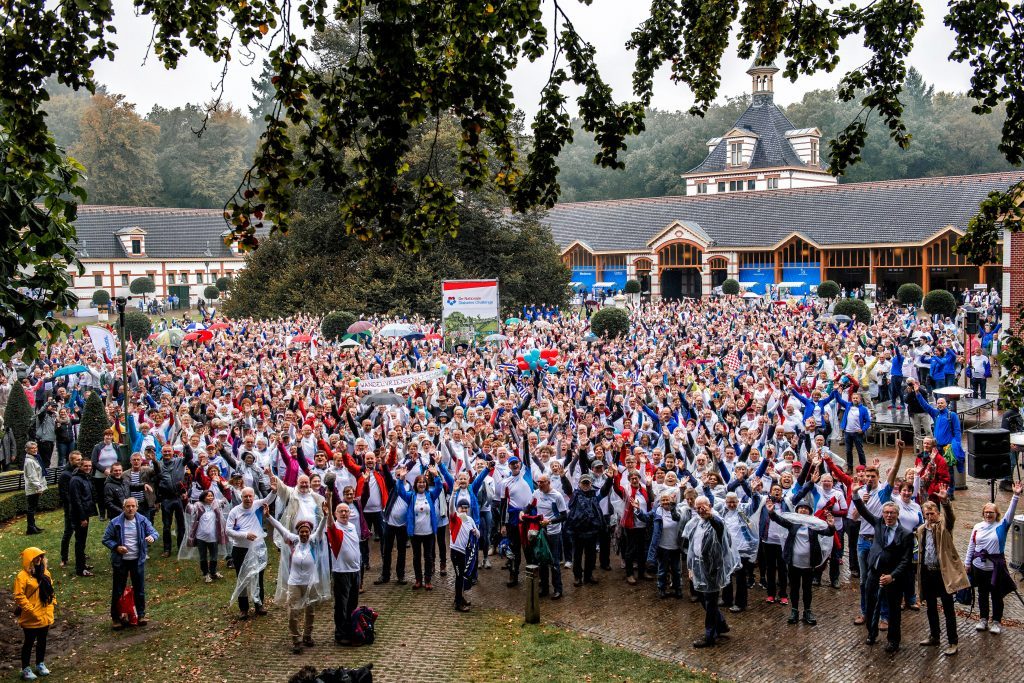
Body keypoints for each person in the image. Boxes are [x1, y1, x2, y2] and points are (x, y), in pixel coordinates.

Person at [266, 503, 331, 654]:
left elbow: (321, 528)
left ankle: (307, 636)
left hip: (311, 583)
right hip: (294, 583)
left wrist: (326, 516)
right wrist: (268, 516)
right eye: (302, 532)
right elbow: (280, 528)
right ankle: (296, 640)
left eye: (307, 532)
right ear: (298, 532)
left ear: (310, 532)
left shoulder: (314, 541)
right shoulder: (293, 541)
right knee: (292, 612)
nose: (304, 534)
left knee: (310, 611)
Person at [853, 498, 914, 653]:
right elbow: (863, 512)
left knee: (893, 610)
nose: (889, 516)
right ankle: (871, 634)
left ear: (897, 514)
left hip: (892, 578)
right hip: (874, 573)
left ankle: (893, 641)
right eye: (886, 513)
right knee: (871, 604)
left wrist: (892, 576)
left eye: (892, 513)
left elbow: (906, 560)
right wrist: (855, 495)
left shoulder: (906, 534)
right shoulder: (879, 524)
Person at [916, 489, 969, 656]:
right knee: (930, 607)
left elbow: (951, 517)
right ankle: (934, 636)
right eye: (927, 514)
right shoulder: (921, 530)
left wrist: (946, 502)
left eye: (932, 513)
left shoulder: (944, 527)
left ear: (937, 513)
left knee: (948, 609)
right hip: (927, 573)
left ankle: (953, 641)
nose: (930, 517)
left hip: (942, 574)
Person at [766, 500, 836, 626]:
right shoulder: (792, 524)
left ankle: (807, 611)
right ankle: (794, 610)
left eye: (806, 508)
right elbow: (778, 519)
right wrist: (771, 511)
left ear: (810, 511)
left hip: (809, 564)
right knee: (794, 588)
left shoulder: (814, 525)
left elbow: (828, 533)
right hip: (794, 563)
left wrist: (831, 525)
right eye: (801, 508)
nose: (803, 510)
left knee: (807, 589)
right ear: (797, 511)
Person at [964, 481, 1021, 634]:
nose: (989, 514)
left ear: (997, 514)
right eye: (986, 512)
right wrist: (967, 563)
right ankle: (983, 619)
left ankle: (996, 621)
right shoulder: (977, 527)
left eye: (992, 512)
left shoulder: (1002, 525)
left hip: (995, 568)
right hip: (978, 567)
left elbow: (1010, 512)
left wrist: (1015, 495)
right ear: (983, 514)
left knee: (996, 596)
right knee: (982, 594)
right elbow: (971, 545)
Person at [684, 495, 739, 648]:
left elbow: (720, 529)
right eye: (698, 508)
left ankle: (710, 636)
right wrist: (690, 567)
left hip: (712, 569)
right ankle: (721, 624)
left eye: (704, 507)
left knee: (710, 602)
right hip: (698, 567)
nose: (701, 510)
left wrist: (711, 517)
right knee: (703, 599)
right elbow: (691, 546)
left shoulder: (717, 520)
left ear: (710, 506)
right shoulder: (696, 522)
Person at [101, 497, 158, 628]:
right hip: (121, 562)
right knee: (118, 590)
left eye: (133, 506)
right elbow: (106, 539)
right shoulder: (115, 522)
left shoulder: (142, 520)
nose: (130, 508)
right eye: (128, 506)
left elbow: (154, 532)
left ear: (137, 507)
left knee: (139, 589)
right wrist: (116, 547)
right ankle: (116, 618)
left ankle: (140, 614)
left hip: (137, 560)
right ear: (123, 508)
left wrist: (151, 537)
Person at [225, 479, 278, 619]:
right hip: (240, 549)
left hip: (257, 548)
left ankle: (259, 604)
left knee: (258, 576)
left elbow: (268, 499)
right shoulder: (235, 511)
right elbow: (228, 530)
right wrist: (245, 535)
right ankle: (243, 609)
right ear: (241, 498)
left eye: (250, 496)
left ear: (254, 497)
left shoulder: (256, 505)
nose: (248, 499)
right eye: (245, 496)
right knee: (242, 578)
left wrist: (273, 490)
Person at [13, 548, 55, 681]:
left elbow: (50, 588)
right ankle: (25, 669)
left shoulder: (45, 572)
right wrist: (30, 610)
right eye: (36, 557)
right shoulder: (22, 576)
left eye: (41, 557)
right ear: (29, 560)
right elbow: (19, 596)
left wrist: (53, 602)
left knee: (42, 640)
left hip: (45, 613)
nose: (39, 559)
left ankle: (40, 664)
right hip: (30, 616)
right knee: (29, 642)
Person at [325, 497, 362, 644]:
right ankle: (340, 634)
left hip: (355, 570)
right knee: (341, 605)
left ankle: (349, 628)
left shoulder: (352, 527)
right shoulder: (335, 528)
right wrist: (328, 503)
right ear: (335, 514)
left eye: (346, 511)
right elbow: (329, 524)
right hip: (341, 571)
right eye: (341, 511)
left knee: (352, 603)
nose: (344, 514)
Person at [185, 489, 228, 583]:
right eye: (208, 496)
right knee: (203, 556)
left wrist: (225, 489)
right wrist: (185, 499)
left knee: (214, 556)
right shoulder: (198, 505)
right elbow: (189, 510)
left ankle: (213, 572)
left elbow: (226, 500)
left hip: (213, 537)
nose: (211, 497)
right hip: (201, 537)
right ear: (203, 497)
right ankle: (205, 574)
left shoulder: (216, 504)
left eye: (212, 495)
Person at [449, 496, 480, 612]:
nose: (464, 510)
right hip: (455, 552)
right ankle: (458, 603)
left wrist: (475, 531)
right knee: (459, 577)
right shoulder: (455, 517)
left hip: (464, 553)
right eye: (462, 508)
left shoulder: (470, 520)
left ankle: (460, 598)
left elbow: (479, 535)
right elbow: (450, 508)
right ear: (458, 508)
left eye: (466, 508)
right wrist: (453, 493)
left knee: (462, 576)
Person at [68, 458, 96, 577]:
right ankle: (80, 569)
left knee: (82, 541)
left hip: (84, 513)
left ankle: (82, 564)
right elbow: (76, 500)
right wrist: (82, 518)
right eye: (85, 466)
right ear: (80, 466)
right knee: (80, 542)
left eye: (89, 466)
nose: (88, 468)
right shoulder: (76, 480)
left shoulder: (85, 477)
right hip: (79, 515)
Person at [58, 450, 83, 567]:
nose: (80, 462)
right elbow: (64, 494)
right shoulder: (65, 475)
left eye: (81, 459)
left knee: (81, 532)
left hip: (80, 507)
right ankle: (64, 557)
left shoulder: (79, 471)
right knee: (68, 532)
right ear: (71, 460)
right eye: (78, 460)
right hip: (70, 509)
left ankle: (81, 553)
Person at [23, 441, 46, 535]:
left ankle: (33, 526)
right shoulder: (29, 461)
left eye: (35, 447)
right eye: (32, 448)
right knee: (31, 508)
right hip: (33, 488)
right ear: (27, 450)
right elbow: (32, 477)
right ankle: (30, 528)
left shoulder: (35, 458)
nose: (35, 449)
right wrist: (39, 488)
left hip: (35, 487)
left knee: (32, 507)